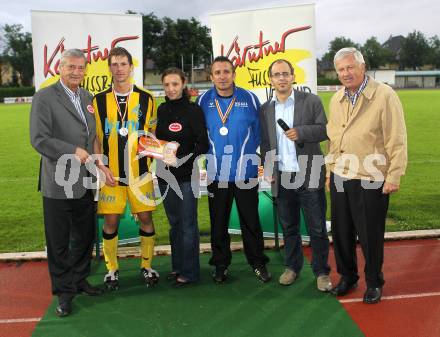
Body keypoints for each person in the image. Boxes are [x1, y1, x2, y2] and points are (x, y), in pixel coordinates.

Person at [326, 48, 407, 304]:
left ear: (362, 67)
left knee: (370, 235)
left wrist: (394, 175)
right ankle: (348, 277)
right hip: (341, 174)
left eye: (350, 67)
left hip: (371, 176)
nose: (345, 73)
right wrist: (330, 171)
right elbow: (334, 140)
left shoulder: (384, 95)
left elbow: (397, 138)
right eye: (341, 69)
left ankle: (374, 282)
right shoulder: (336, 98)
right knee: (341, 233)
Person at [30, 49, 103, 317]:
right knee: (59, 241)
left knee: (84, 236)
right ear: (59, 68)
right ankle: (63, 291)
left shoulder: (87, 97)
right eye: (71, 66)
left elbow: (91, 134)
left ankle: (80, 279)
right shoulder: (44, 97)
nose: (76, 71)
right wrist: (72, 150)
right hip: (58, 181)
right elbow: (39, 139)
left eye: (81, 67)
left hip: (84, 180)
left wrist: (98, 160)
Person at [197, 56, 271, 283]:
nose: (222, 76)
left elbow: (260, 132)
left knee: (251, 221)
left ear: (234, 74)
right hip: (216, 174)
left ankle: (257, 262)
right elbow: (198, 135)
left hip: (245, 173)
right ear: (211, 76)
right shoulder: (203, 100)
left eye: (226, 71)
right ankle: (220, 264)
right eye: (217, 72)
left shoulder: (249, 98)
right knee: (218, 223)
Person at [259, 59, 332, 291]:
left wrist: (300, 132)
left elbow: (324, 129)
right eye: (276, 74)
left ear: (293, 77)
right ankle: (292, 267)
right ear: (270, 79)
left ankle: (321, 272)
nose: (281, 78)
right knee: (289, 227)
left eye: (285, 74)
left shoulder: (311, 101)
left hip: (309, 175)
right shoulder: (265, 109)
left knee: (317, 228)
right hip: (282, 177)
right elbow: (265, 142)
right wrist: (268, 168)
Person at [93, 47, 158, 290]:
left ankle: (147, 265)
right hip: (111, 175)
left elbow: (151, 133)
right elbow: (95, 137)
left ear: (131, 67)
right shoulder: (98, 101)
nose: (119, 68)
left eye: (123, 64)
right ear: (109, 67)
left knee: (145, 218)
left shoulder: (147, 98)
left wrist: (154, 154)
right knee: (110, 222)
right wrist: (101, 164)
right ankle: (112, 269)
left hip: (140, 173)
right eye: (115, 64)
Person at [155, 67, 209, 287]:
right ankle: (177, 266)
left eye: (175, 84)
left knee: (188, 225)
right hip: (165, 176)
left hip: (187, 176)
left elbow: (202, 144)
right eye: (167, 85)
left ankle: (191, 271)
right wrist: (157, 151)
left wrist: (182, 159)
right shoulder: (161, 110)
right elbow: (158, 142)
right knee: (174, 223)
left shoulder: (193, 111)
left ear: (184, 84)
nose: (171, 89)